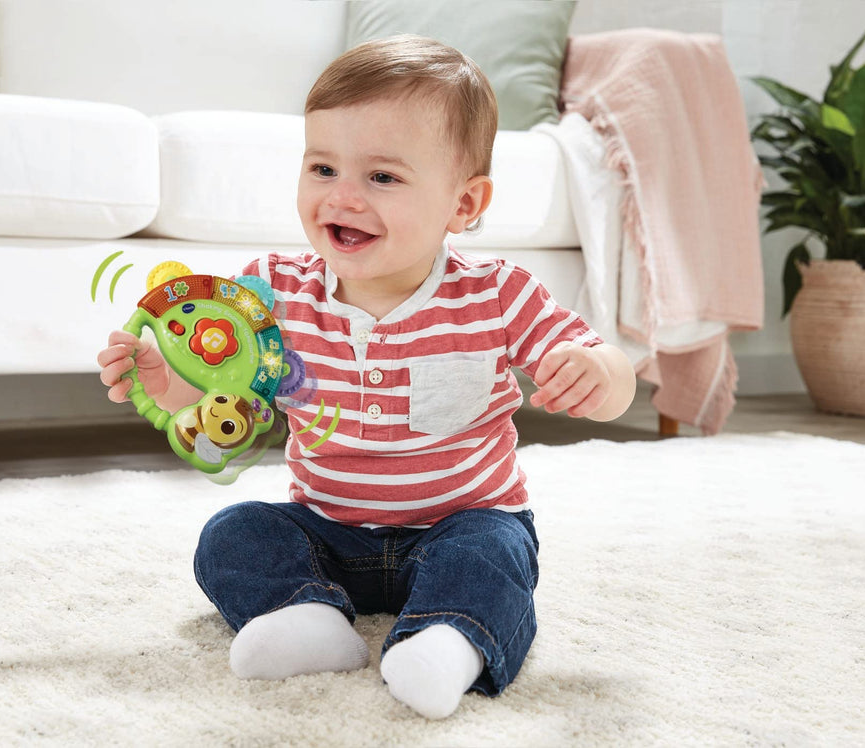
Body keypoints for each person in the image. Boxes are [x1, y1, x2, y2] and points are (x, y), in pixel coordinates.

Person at [98, 35, 636, 720]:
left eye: (382, 177)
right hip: (329, 532)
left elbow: (609, 368)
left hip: (458, 524)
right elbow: (227, 407)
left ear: (464, 206)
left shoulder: (498, 295)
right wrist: (167, 386)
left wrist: (598, 375)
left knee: (495, 552)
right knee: (232, 535)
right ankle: (308, 619)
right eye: (323, 168)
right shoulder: (269, 291)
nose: (343, 196)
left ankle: (446, 641)